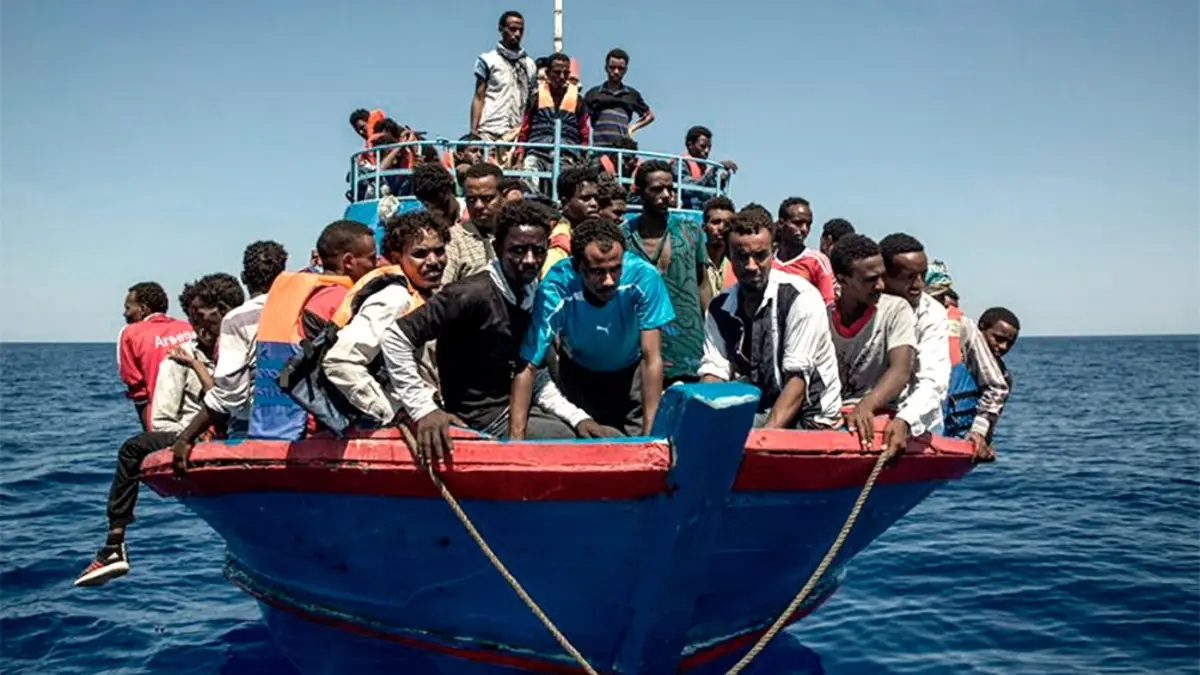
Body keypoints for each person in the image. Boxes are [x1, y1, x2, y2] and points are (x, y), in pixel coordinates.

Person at [383, 201, 590, 461]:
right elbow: (395, 338)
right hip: (480, 420)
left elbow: (534, 374)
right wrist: (423, 409)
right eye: (517, 250)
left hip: (519, 407)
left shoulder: (531, 294)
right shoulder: (469, 294)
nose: (529, 260)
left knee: (589, 432)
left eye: (538, 251)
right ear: (497, 248)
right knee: (568, 444)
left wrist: (577, 417)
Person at [75, 273, 246, 587]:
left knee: (132, 449)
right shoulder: (177, 358)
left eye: (201, 318)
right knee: (133, 448)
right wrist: (187, 436)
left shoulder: (236, 349)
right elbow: (163, 422)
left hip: (230, 433)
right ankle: (114, 545)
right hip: (189, 433)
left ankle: (114, 542)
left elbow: (141, 392)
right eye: (193, 320)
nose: (198, 327)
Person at [511, 218, 675, 438]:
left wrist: (650, 436)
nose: (609, 281)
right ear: (577, 267)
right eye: (598, 272)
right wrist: (516, 441)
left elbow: (651, 357)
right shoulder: (556, 287)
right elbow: (528, 364)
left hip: (631, 379)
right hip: (577, 378)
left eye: (615, 269)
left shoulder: (643, 277)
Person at [699, 206, 842, 428]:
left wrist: (762, 438)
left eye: (760, 256)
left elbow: (797, 384)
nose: (751, 266)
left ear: (771, 252)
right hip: (763, 408)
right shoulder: (719, 308)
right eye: (741, 257)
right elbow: (714, 373)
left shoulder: (800, 299)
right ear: (729, 256)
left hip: (811, 415)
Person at [166, 241, 288, 473]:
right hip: (294, 425)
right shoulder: (300, 310)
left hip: (249, 426)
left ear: (244, 277)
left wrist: (185, 437)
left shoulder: (238, 318)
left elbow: (230, 395)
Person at [323, 212, 447, 427]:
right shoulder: (394, 299)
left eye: (439, 251)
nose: (433, 261)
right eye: (420, 254)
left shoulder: (429, 294)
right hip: (409, 426)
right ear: (397, 257)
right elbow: (339, 362)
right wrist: (395, 412)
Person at [828, 234, 917, 455]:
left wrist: (865, 407)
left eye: (882, 276)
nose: (881, 285)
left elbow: (900, 370)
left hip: (879, 412)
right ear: (843, 280)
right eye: (870, 279)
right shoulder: (822, 316)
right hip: (833, 415)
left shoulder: (896, 310)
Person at [622, 160, 708, 383]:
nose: (667, 195)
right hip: (637, 348)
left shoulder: (690, 231)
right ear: (639, 192)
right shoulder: (623, 237)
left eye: (670, 188)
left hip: (689, 349)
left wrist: (711, 330)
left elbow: (702, 284)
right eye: (657, 189)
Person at [879, 234, 951, 440]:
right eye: (909, 277)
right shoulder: (865, 305)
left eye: (922, 275)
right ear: (884, 275)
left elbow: (933, 380)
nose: (919, 285)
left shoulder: (932, 313)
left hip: (915, 426)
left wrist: (905, 420)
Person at [118, 282, 195, 430]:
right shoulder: (189, 328)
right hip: (202, 421)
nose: (125, 314)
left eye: (128, 308)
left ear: (143, 309)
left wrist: (149, 431)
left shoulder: (130, 334)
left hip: (163, 420)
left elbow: (136, 387)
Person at [951, 307, 1020, 460]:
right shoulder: (965, 337)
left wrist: (980, 434)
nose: (1003, 347)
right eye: (998, 339)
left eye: (1010, 343)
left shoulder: (1003, 377)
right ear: (981, 328)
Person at [517, 52, 590, 194]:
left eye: (566, 73)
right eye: (557, 72)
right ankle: (533, 198)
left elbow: (584, 132)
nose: (561, 77)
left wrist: (583, 156)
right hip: (537, 151)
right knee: (529, 173)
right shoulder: (535, 99)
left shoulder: (579, 101)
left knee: (568, 185)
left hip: (567, 155)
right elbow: (524, 129)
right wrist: (520, 155)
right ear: (548, 73)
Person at [470, 11, 537, 142]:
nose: (517, 34)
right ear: (501, 29)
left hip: (516, 132)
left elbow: (531, 102)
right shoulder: (488, 60)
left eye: (521, 30)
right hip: (489, 129)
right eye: (513, 29)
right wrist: (473, 131)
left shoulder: (529, 65)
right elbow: (479, 96)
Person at [443, 163, 505, 285]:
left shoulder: (514, 236)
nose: (478, 206)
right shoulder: (454, 240)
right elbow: (442, 289)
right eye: (471, 199)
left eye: (487, 198)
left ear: (502, 197)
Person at [583, 48, 654, 147]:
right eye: (612, 67)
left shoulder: (632, 94)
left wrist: (632, 128)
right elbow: (581, 118)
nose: (616, 72)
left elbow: (649, 116)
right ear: (606, 68)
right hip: (599, 149)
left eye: (620, 68)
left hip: (621, 150)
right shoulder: (593, 94)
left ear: (625, 70)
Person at [773, 197, 836, 305]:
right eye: (798, 223)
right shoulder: (768, 261)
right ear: (781, 223)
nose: (804, 229)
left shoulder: (817, 261)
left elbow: (827, 304)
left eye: (808, 224)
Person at [542, 165, 601, 277]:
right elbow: (551, 281)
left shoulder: (592, 233)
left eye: (596, 198)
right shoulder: (561, 242)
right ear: (565, 203)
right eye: (586, 198)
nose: (594, 204)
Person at [678, 126, 737, 210]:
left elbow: (708, 194)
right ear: (690, 145)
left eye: (709, 147)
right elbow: (688, 190)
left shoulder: (702, 167)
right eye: (702, 146)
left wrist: (721, 182)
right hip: (684, 209)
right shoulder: (680, 164)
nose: (707, 151)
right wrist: (713, 169)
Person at [412, 162, 468, 231]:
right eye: (424, 202)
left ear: (447, 189)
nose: (429, 206)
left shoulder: (469, 213)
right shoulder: (426, 226)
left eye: (432, 199)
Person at [700, 196, 738, 299]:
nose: (721, 228)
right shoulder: (694, 262)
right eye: (716, 222)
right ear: (704, 227)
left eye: (727, 223)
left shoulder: (738, 265)